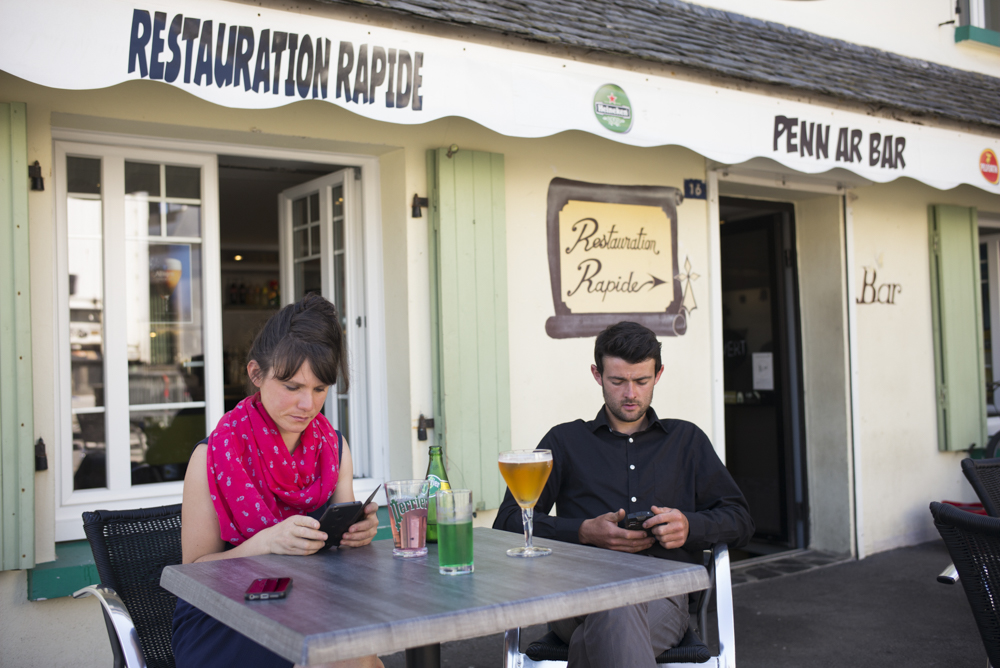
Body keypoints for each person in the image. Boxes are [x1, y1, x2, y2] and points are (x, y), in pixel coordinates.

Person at [493, 321, 754, 668]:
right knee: (616, 600)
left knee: (614, 610)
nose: (630, 393)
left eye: (641, 381)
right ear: (597, 375)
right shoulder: (564, 442)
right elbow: (507, 521)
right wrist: (583, 532)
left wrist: (689, 527)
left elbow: (740, 520)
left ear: (658, 375)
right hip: (575, 596)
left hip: (664, 597)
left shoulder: (686, 440)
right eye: (618, 381)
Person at [173, 293, 383, 668]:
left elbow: (342, 560)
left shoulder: (334, 448)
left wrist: (357, 535)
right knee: (349, 658)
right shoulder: (211, 456)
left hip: (314, 605)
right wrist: (266, 543)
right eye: (292, 387)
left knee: (352, 654)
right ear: (256, 374)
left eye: (319, 389)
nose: (308, 405)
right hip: (227, 617)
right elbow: (195, 572)